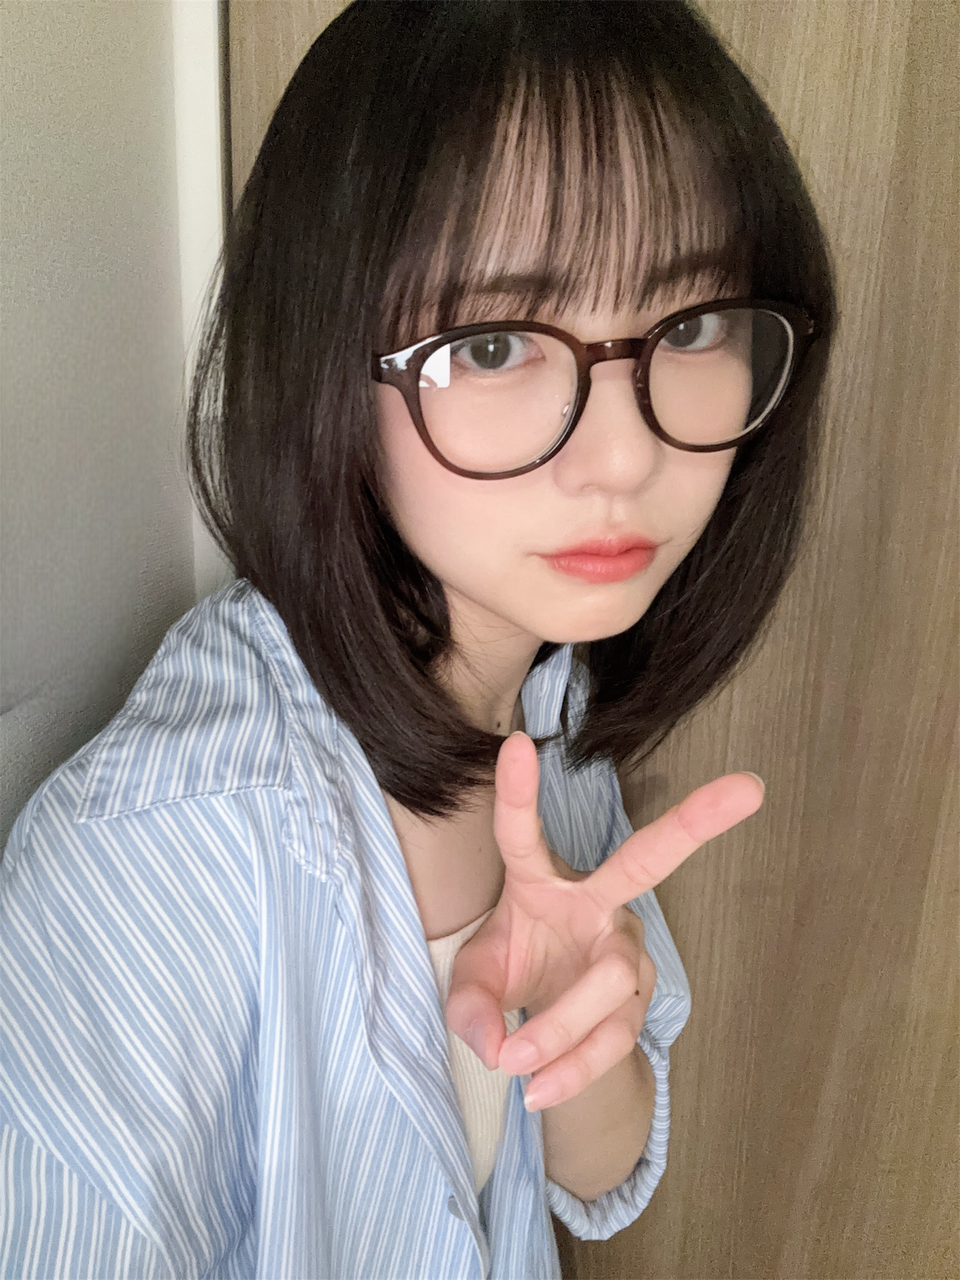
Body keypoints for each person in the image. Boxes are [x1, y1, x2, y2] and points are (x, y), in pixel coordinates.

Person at [0, 0, 834, 1276]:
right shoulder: (146, 861)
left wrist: (581, 1028)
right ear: (325, 363)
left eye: (691, 324)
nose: (625, 455)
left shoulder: (550, 695)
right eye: (494, 343)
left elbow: (599, 1175)